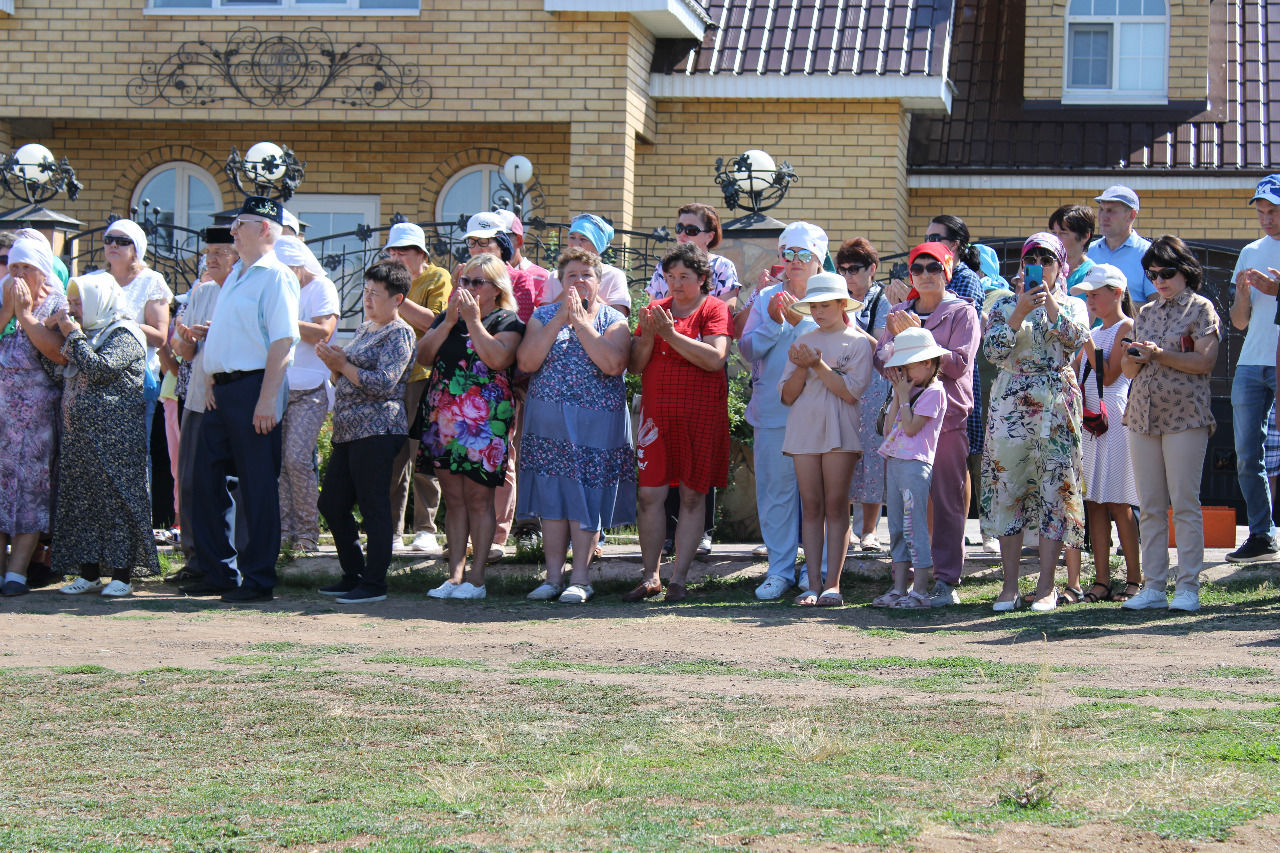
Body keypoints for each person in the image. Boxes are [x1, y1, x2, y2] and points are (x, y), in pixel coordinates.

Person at [186, 196, 300, 604]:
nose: (233, 231)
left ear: (265, 229)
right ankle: (219, 571)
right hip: (225, 390)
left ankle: (258, 579)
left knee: (256, 487)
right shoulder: (238, 274)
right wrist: (215, 377)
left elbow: (283, 342)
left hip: (256, 389)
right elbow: (232, 333)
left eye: (241, 224)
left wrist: (267, 398)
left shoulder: (276, 276)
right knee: (203, 479)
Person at [516, 247, 635, 603]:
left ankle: (580, 579)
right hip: (549, 426)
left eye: (587, 275)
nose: (579, 281)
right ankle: (552, 578)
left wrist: (581, 322)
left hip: (596, 429)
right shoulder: (542, 316)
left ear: (599, 282)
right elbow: (527, 360)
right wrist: (559, 321)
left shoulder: (614, 320)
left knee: (586, 497)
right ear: (560, 280)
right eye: (572, 275)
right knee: (553, 499)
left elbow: (613, 364)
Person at [982, 233, 1091, 612]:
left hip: (1057, 405)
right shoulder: (1002, 304)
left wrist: (1052, 310)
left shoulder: (1074, 304)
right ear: (1022, 264)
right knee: (1008, 488)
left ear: (1061, 265)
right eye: (1033, 258)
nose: (1041, 265)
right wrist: (1018, 313)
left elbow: (1077, 341)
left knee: (1055, 492)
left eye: (1048, 259)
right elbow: (993, 350)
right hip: (1011, 406)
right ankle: (1009, 585)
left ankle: (1047, 586)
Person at [874, 242, 980, 607]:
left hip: (945, 421)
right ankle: (902, 583)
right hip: (903, 422)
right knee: (905, 506)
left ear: (947, 271)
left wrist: (920, 336)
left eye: (933, 267)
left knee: (947, 501)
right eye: (917, 268)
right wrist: (894, 352)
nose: (924, 274)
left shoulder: (963, 312)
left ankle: (945, 581)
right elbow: (882, 359)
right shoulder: (899, 311)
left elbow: (960, 364)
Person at [1121, 236, 1222, 612]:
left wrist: (1160, 354)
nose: (1160, 280)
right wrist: (1136, 356)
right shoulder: (1144, 312)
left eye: (1167, 272)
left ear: (1186, 271)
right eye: (1153, 273)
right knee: (1149, 505)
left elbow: (1204, 363)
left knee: (1184, 503)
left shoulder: (1202, 309)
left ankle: (1189, 587)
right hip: (1142, 414)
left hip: (1186, 414)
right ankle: (1153, 586)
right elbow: (1128, 369)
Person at [415, 254, 524, 600]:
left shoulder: (508, 321)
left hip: (484, 421)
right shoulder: (447, 318)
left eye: (478, 282)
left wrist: (475, 322)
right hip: (444, 418)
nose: (470, 288)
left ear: (496, 288)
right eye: (465, 281)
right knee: (454, 498)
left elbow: (497, 358)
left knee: (479, 498)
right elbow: (423, 356)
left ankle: (477, 579)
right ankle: (455, 577)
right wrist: (447, 322)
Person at [628, 242, 732, 603]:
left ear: (703, 279)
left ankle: (679, 579)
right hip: (657, 418)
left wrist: (671, 335)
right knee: (649, 495)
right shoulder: (655, 311)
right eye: (670, 277)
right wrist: (651, 335)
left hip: (701, 417)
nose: (675, 284)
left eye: (684, 277)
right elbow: (636, 365)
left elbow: (716, 358)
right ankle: (651, 575)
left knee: (691, 495)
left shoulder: (714, 308)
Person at [314, 261, 416, 604]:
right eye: (366, 291)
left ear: (397, 299)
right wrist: (335, 366)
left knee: (373, 505)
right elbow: (343, 378)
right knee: (331, 503)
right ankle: (354, 573)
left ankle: (374, 583)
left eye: (376, 293)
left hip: (378, 429)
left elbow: (385, 382)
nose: (368, 299)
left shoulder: (400, 333)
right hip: (349, 430)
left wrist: (343, 365)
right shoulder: (365, 329)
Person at [50, 276, 158, 597]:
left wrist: (73, 335)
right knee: (83, 503)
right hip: (81, 437)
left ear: (100, 300)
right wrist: (54, 327)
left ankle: (122, 576)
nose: (74, 309)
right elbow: (53, 363)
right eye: (71, 303)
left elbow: (99, 368)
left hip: (116, 439)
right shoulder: (87, 333)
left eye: (79, 302)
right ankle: (89, 573)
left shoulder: (124, 332)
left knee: (117, 503)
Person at [739, 222, 827, 600]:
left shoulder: (832, 295)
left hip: (821, 413)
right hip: (773, 412)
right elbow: (746, 350)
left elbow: (842, 346)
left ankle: (817, 568)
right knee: (776, 492)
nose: (794, 262)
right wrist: (774, 324)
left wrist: (800, 321)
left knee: (817, 494)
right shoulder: (766, 298)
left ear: (818, 261)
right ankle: (779, 570)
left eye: (803, 254)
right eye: (787, 254)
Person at [648, 203, 741, 558]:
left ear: (709, 235)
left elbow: (724, 309)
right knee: (669, 459)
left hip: (702, 358)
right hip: (668, 364)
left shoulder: (722, 267)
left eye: (691, 229)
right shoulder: (666, 266)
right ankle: (671, 533)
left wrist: (685, 329)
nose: (683, 234)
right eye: (679, 228)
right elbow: (658, 306)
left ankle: (702, 532)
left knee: (699, 458)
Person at [779, 272, 872, 607]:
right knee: (812, 507)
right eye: (813, 305)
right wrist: (803, 367)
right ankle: (812, 585)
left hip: (841, 430)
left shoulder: (858, 342)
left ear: (841, 304)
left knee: (836, 506)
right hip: (804, 428)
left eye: (825, 305)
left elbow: (849, 392)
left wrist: (816, 364)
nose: (818, 311)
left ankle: (833, 584)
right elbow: (787, 396)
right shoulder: (804, 338)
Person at [1066, 263, 1142, 603]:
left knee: (1118, 501)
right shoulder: (1093, 333)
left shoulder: (1128, 326)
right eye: (1088, 294)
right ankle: (1101, 580)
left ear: (1117, 293)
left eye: (1097, 294)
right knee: (1093, 502)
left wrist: (1085, 341)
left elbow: (1110, 376)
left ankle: (1135, 580)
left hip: (1114, 416)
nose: (1091, 300)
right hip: (1090, 419)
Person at [169, 227, 239, 579]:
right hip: (197, 396)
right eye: (208, 252)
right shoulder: (203, 292)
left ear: (237, 255)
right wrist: (184, 338)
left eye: (220, 252)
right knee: (191, 483)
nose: (210, 259)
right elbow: (185, 353)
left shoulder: (243, 290)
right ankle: (195, 560)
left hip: (232, 399)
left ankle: (223, 561)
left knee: (223, 485)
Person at [0, 233, 67, 597]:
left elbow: (59, 354)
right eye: (15, 266)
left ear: (42, 270)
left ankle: (17, 572)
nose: (20, 274)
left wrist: (24, 316)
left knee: (31, 488)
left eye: (28, 266)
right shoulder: (0, 295)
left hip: (37, 414)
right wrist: (7, 312)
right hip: (1, 409)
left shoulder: (56, 303)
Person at [384, 222, 451, 557]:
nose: (396, 256)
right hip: (392, 378)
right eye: (392, 251)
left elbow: (436, 322)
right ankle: (392, 530)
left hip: (425, 375)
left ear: (422, 254)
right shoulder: (386, 279)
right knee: (394, 457)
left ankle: (425, 529)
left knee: (424, 456)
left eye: (403, 251)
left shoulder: (437, 278)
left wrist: (397, 296)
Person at [871, 328, 949, 610]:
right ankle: (899, 588)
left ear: (927, 363)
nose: (903, 372)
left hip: (915, 465)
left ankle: (920, 590)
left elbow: (913, 428)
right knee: (896, 528)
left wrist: (903, 397)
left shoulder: (935, 392)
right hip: (895, 462)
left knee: (914, 527)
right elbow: (891, 426)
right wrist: (898, 395)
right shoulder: (907, 390)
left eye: (908, 366)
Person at [1225, 175, 1280, 563]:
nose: (1266, 218)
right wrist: (1243, 295)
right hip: (1251, 362)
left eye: (1273, 211)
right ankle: (1262, 534)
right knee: (1246, 453)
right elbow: (1239, 322)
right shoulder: (1250, 251)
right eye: (1261, 212)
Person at [274, 236, 339, 554]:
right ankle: (285, 531)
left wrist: (281, 321)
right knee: (282, 463)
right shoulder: (278, 284)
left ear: (300, 265)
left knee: (298, 459)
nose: (284, 275)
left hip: (310, 388)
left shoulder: (321, 287)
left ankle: (308, 533)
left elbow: (323, 332)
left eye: (289, 270)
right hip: (278, 385)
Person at [98, 219, 173, 459]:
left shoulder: (151, 281)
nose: (113, 245)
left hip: (135, 383)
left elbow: (160, 337)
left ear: (136, 249)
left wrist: (125, 323)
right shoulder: (96, 279)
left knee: (133, 457)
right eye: (109, 240)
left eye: (122, 241)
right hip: (97, 380)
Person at [837, 237, 890, 551]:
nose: (847, 276)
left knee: (872, 458)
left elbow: (880, 348)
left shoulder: (880, 299)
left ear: (872, 268)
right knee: (840, 456)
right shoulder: (836, 296)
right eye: (842, 270)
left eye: (854, 269)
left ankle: (868, 531)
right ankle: (841, 531)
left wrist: (849, 325)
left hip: (872, 389)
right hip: (838, 387)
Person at [541, 214, 631, 315]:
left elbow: (620, 317)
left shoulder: (614, 276)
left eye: (583, 239)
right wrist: (568, 289)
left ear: (597, 245)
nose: (575, 244)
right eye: (572, 237)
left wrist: (587, 291)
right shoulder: (554, 276)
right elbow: (543, 316)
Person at [1088, 185, 1154, 304]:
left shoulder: (1149, 254)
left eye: (1111, 211)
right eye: (1101, 209)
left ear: (1131, 215)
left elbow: (1158, 307)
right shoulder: (1088, 252)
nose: (1103, 217)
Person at [1049, 204, 1097, 291]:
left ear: (1085, 236)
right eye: (1054, 233)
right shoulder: (1046, 267)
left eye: (1063, 233)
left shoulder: (1092, 276)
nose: (1056, 240)